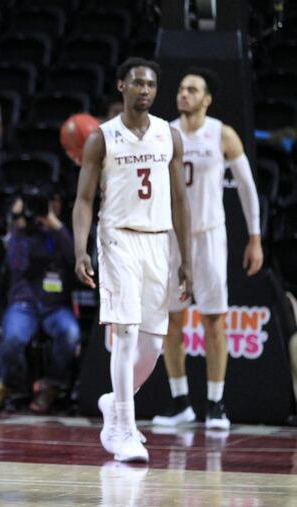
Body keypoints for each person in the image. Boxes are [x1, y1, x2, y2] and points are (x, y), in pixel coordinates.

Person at [72, 57, 192, 463]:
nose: (145, 90)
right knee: (124, 332)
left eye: (151, 85)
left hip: (159, 241)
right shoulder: (101, 138)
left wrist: (186, 258)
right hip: (117, 237)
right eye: (137, 83)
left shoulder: (169, 135)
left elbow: (180, 200)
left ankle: (115, 402)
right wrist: (80, 249)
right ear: (122, 86)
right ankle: (123, 427)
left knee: (153, 342)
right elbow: (84, 199)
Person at [152, 68, 263, 430]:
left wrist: (255, 236)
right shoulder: (163, 132)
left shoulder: (222, 134)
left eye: (192, 89)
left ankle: (216, 404)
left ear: (207, 98)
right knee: (172, 320)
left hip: (210, 236)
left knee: (214, 320)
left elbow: (246, 188)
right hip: (171, 238)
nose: (183, 94)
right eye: (182, 88)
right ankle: (180, 401)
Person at [0, 195, 80, 414]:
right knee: (13, 337)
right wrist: (18, 225)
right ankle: (9, 383)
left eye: (53, 202)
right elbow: (17, 263)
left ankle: (52, 385)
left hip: (55, 305)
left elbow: (75, 258)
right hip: (24, 304)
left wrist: (55, 226)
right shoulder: (21, 234)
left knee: (70, 333)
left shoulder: (61, 232)